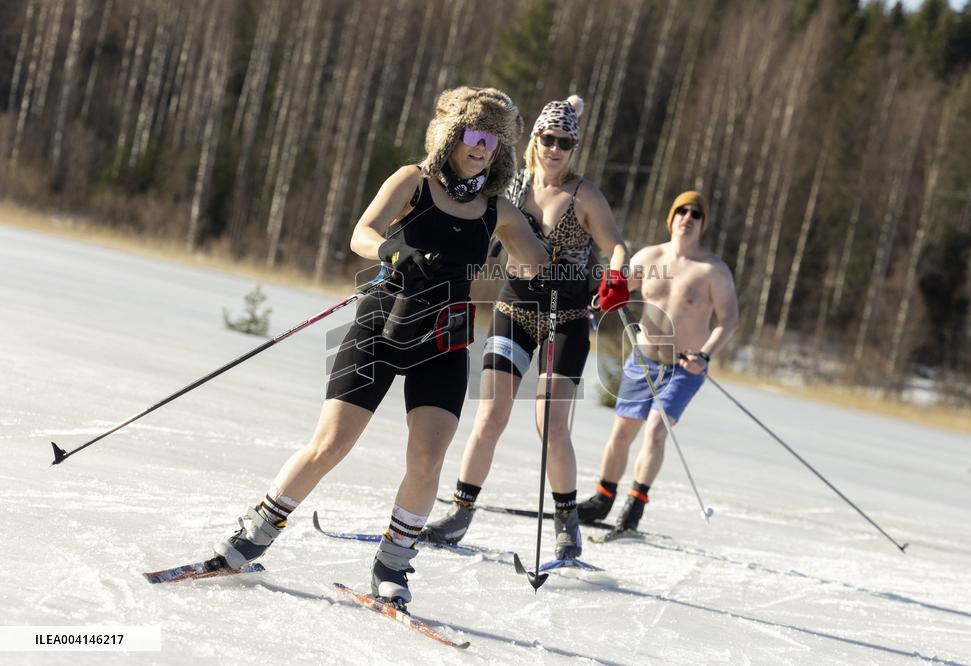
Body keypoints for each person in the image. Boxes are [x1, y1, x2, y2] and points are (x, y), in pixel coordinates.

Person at [209, 87, 550, 608]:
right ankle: (253, 535)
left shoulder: (497, 209)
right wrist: (392, 250)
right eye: (474, 136)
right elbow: (361, 232)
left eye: (493, 141)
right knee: (331, 443)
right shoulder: (414, 179)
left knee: (428, 457)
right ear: (452, 135)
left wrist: (555, 257)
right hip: (384, 323)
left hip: (446, 336)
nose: (482, 148)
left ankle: (393, 565)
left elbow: (534, 266)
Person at [421, 95, 629, 560]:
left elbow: (616, 245)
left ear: (574, 148)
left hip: (567, 318)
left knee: (550, 424)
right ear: (534, 140)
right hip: (514, 310)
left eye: (565, 142)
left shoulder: (584, 195)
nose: (555, 148)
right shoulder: (511, 187)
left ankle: (566, 522)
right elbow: (479, 229)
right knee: (491, 414)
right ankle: (460, 512)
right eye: (548, 138)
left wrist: (617, 276)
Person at [577, 191, 739, 533]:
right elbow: (616, 289)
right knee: (622, 431)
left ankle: (634, 507)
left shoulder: (713, 270)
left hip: (685, 368)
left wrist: (705, 355)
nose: (688, 217)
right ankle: (602, 499)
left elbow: (729, 320)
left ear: (702, 223)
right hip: (644, 359)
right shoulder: (649, 257)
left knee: (654, 431)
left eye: (696, 213)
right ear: (672, 218)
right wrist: (603, 294)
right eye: (682, 211)